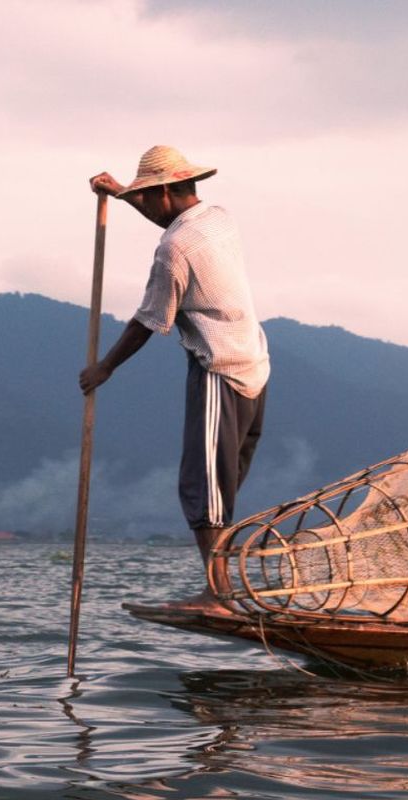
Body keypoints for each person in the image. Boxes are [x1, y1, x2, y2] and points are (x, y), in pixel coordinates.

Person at [80, 145, 270, 595]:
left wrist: (104, 368)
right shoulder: (219, 218)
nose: (143, 204)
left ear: (164, 193)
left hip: (218, 370)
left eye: (147, 196)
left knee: (202, 487)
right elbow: (167, 212)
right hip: (256, 366)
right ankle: (223, 584)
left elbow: (150, 321)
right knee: (222, 484)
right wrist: (125, 193)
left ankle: (219, 593)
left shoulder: (174, 249)